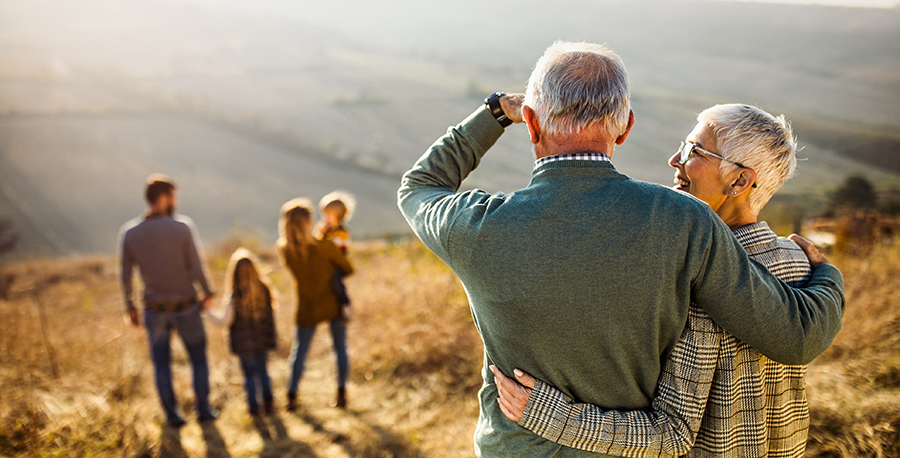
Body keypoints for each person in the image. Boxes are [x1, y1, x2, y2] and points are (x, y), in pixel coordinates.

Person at [397, 41, 845, 457]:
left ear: (531, 123)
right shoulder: (685, 221)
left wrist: (496, 112)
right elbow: (795, 335)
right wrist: (826, 274)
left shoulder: (475, 226)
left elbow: (420, 186)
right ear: (626, 127)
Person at [493, 104, 817, 457]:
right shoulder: (800, 262)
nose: (675, 159)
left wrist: (547, 414)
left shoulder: (696, 282)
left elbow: (672, 434)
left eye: (694, 150)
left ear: (739, 180)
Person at [118, 173, 217, 428]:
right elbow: (195, 267)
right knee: (198, 359)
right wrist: (208, 292)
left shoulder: (130, 232)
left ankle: (172, 416)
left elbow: (126, 276)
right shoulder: (181, 227)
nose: (176, 203)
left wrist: (130, 307)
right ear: (164, 198)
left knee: (161, 365)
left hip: (153, 309)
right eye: (174, 197)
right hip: (185, 306)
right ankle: (203, 410)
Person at [277, 198, 354, 410]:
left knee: (299, 351)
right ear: (308, 222)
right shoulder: (326, 246)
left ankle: (291, 396)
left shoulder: (284, 249)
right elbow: (348, 268)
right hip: (332, 302)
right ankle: (341, 393)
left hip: (307, 305)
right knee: (340, 348)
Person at [206, 248, 277, 418]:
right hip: (262, 342)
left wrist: (207, 311)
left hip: (243, 345)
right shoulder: (264, 290)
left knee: (249, 376)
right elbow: (270, 319)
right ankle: (269, 404)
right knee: (263, 372)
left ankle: (254, 409)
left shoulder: (234, 296)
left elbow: (223, 321)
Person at [315, 191, 356, 319]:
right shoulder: (324, 230)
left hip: (337, 264)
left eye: (328, 215)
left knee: (336, 281)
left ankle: (345, 303)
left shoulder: (342, 232)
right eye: (324, 214)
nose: (325, 217)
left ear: (338, 215)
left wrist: (325, 237)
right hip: (325, 264)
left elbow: (336, 248)